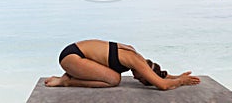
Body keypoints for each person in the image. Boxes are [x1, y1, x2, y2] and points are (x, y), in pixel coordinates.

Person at [45, 39, 200, 90]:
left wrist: (177, 76)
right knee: (114, 79)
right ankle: (66, 81)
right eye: (141, 79)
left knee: (114, 77)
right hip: (71, 57)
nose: (136, 78)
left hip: (75, 53)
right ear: (144, 71)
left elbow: (155, 74)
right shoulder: (135, 61)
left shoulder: (137, 56)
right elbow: (162, 85)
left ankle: (70, 76)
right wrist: (181, 82)